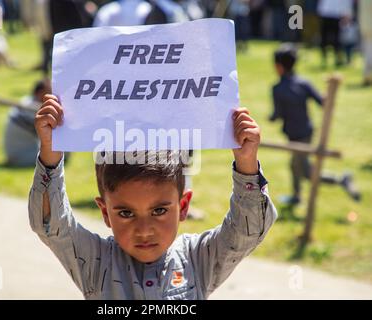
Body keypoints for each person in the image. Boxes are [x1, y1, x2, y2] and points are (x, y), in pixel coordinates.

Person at [28, 94, 277, 299]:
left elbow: (248, 232)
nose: (144, 230)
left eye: (159, 211)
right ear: (105, 212)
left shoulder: (198, 259)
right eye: (126, 213)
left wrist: (246, 163)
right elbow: (51, 225)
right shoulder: (97, 262)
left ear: (183, 206)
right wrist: (50, 153)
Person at [270, 44, 361, 206]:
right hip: (306, 131)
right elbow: (323, 102)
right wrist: (330, 91)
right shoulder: (304, 83)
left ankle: (340, 180)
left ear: (278, 66)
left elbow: (277, 115)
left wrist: (271, 118)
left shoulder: (278, 89)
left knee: (305, 172)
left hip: (295, 134)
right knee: (294, 165)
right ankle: (296, 196)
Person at [3, 79, 51, 167]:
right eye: (49, 92)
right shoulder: (33, 110)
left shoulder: (26, 101)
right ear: (40, 93)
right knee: (60, 154)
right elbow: (49, 135)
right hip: (21, 157)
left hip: (17, 153)